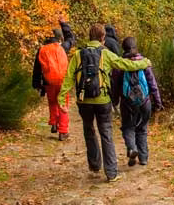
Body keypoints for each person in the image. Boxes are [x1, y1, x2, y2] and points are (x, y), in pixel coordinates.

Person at [59, 24, 151, 182]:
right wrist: (145, 62)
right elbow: (126, 65)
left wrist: (62, 98)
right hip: (103, 101)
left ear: (89, 36)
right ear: (103, 38)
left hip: (83, 100)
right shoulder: (106, 54)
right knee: (106, 133)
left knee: (89, 131)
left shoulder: (78, 54)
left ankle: (94, 165)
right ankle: (111, 172)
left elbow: (68, 77)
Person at [111, 37, 163, 167]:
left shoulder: (120, 64)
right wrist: (158, 102)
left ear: (123, 48)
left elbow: (115, 85)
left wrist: (114, 101)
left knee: (128, 127)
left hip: (127, 103)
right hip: (145, 102)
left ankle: (132, 148)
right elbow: (152, 84)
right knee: (142, 128)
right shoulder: (144, 63)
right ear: (136, 47)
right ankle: (144, 158)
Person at [31, 28, 70, 140]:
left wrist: (36, 84)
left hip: (49, 81)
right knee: (63, 104)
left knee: (52, 102)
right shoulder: (62, 47)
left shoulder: (42, 50)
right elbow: (71, 38)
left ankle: (54, 123)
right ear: (59, 38)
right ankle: (63, 131)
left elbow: (37, 69)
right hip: (63, 81)